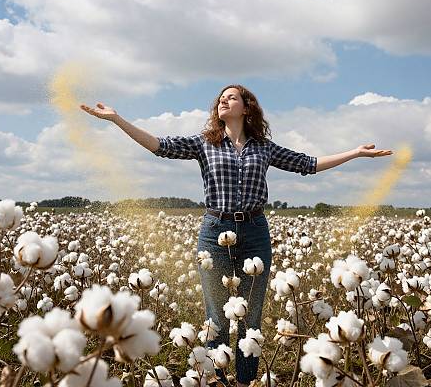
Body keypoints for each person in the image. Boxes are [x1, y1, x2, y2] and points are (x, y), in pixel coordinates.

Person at [80, 84, 392, 386]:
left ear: (246, 108)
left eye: (231, 98)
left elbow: (307, 164)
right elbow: (159, 146)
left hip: (255, 231)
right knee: (216, 314)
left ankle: (244, 381)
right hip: (214, 230)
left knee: (250, 315)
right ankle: (216, 378)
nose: (223, 102)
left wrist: (355, 153)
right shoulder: (204, 143)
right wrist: (117, 120)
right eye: (221, 99)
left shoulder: (264, 148)